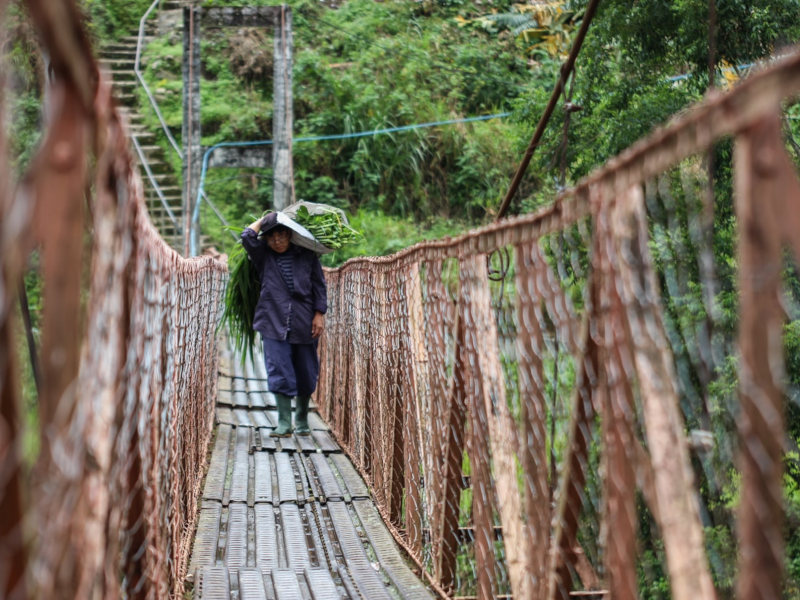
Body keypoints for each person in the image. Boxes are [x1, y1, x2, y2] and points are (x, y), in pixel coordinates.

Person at [241, 212, 327, 436]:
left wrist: (319, 314)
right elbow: (247, 236)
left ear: (290, 235)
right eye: (271, 237)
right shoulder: (263, 256)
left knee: (306, 370)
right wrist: (267, 218)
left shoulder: (307, 255)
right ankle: (284, 422)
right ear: (266, 240)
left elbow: (319, 285)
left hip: (304, 321)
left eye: (281, 235)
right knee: (279, 368)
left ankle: (301, 419)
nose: (277, 241)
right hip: (272, 320)